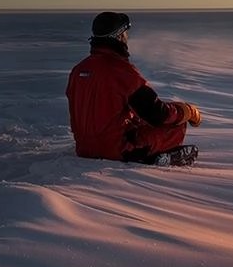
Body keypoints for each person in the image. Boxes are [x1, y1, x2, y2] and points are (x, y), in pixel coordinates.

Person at [66, 12, 202, 165]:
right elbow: (157, 114)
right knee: (176, 124)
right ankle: (154, 158)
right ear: (118, 36)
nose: (127, 37)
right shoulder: (121, 71)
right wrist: (188, 111)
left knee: (140, 122)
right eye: (125, 33)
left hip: (84, 148)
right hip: (116, 150)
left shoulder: (78, 70)